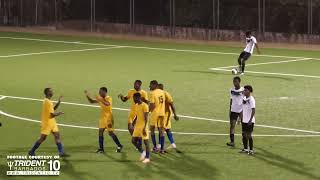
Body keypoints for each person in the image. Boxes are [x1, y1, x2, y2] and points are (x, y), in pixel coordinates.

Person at [28, 88, 68, 157]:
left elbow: (53, 110)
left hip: (52, 122)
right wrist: (59, 113)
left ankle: (61, 152)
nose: (52, 92)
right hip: (47, 123)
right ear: (47, 93)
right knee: (42, 138)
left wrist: (59, 102)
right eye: (51, 91)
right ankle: (32, 151)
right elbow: (51, 115)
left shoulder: (48, 101)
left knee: (57, 135)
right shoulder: (47, 102)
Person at [85, 87, 123, 153]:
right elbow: (91, 101)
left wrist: (100, 99)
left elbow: (107, 104)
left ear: (105, 92)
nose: (99, 93)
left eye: (100, 91)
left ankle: (119, 145)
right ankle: (101, 149)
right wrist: (87, 95)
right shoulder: (101, 98)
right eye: (99, 91)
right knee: (100, 132)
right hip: (103, 118)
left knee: (111, 133)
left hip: (109, 118)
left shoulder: (108, 98)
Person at [157, 83, 180, 152]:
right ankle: (172, 144)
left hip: (166, 114)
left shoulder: (166, 94)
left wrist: (175, 114)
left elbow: (172, 104)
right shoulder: (159, 94)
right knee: (167, 129)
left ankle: (160, 146)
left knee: (162, 129)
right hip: (161, 113)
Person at [131, 93, 150, 163]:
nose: (133, 100)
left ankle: (147, 158)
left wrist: (144, 128)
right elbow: (137, 115)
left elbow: (146, 118)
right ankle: (142, 152)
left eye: (134, 98)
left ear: (138, 98)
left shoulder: (145, 106)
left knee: (146, 142)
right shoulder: (136, 105)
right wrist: (133, 122)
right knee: (133, 141)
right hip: (137, 126)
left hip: (143, 126)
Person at [149, 80, 166, 153]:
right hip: (162, 113)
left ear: (154, 85)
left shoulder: (152, 93)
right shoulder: (162, 91)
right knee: (162, 131)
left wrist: (148, 110)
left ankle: (155, 147)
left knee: (152, 129)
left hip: (155, 113)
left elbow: (152, 105)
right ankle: (162, 149)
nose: (149, 86)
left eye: (150, 85)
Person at [226, 77, 244, 147]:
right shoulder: (231, 90)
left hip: (241, 110)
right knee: (232, 126)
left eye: (236, 81)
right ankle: (232, 142)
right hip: (233, 110)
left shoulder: (243, 90)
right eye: (233, 81)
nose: (234, 83)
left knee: (244, 126)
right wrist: (230, 110)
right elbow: (231, 100)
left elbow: (244, 101)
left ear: (239, 82)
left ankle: (244, 140)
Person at [240, 85, 256, 155]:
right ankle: (246, 149)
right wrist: (239, 119)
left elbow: (253, 110)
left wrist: (250, 120)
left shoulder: (251, 99)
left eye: (245, 90)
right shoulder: (244, 98)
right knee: (244, 134)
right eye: (244, 90)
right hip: (244, 120)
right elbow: (242, 109)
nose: (244, 91)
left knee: (249, 135)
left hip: (250, 121)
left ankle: (251, 150)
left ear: (249, 91)